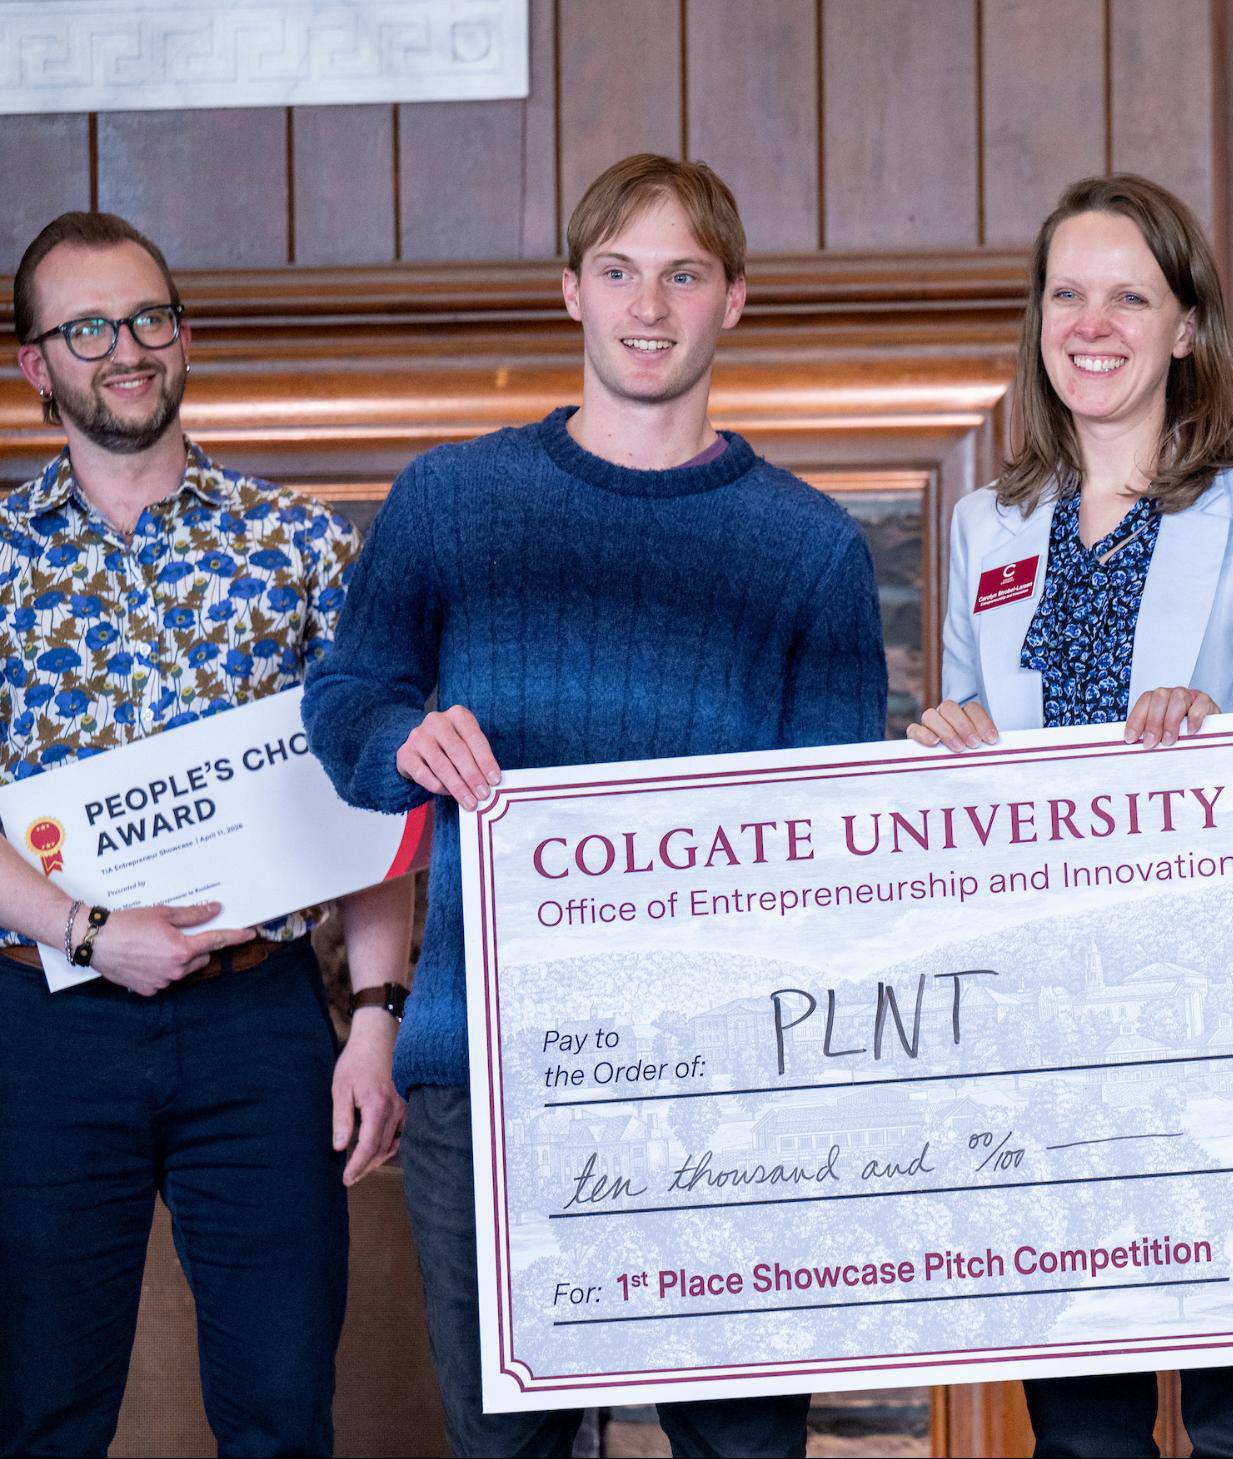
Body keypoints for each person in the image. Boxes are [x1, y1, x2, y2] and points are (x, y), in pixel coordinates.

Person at [302, 154, 887, 1459]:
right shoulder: (448, 503)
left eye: (683, 274)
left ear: (732, 299)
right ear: (569, 289)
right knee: (511, 1447)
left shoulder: (810, 549)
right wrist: (403, 734)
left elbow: (837, 846)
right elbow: (343, 703)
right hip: (484, 1067)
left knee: (741, 1447)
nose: (647, 304)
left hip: (729, 1089)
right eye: (618, 270)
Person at [910, 173, 1233, 1458]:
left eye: (1128, 294)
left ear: (1184, 327)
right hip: (1047, 1022)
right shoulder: (989, 520)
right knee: (1083, 1422)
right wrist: (949, 738)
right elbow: (971, 752)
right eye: (1067, 293)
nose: (1092, 322)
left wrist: (1231, 736)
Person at [0, 212, 413, 1456]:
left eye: (147, 317)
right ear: (37, 366)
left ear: (183, 332)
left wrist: (376, 1023)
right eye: (87, 327)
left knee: (284, 1413)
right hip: (45, 1021)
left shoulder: (298, 547)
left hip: (261, 1026)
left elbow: (374, 805)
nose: (125, 348)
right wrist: (87, 928)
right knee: (39, 1416)